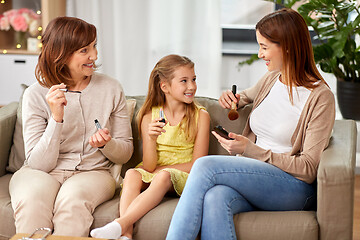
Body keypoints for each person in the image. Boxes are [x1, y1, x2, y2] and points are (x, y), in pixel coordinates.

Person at [166, 8, 335, 240]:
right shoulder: (272, 79)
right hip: (255, 178)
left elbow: (308, 168)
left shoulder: (320, 96)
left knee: (205, 167)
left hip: (293, 187)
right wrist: (235, 99)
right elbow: (246, 96)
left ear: (286, 46)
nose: (259, 54)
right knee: (216, 197)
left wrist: (249, 149)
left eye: (264, 47)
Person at [9, 16, 133, 237]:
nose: (94, 56)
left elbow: (124, 154)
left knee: (73, 203)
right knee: (31, 201)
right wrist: (56, 119)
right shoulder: (35, 94)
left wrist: (107, 144)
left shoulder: (111, 88)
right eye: (84, 50)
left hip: (93, 172)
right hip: (40, 172)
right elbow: (38, 163)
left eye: (94, 47)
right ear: (61, 53)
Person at [90, 54, 210, 240]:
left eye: (193, 79)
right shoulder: (148, 116)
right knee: (131, 174)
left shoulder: (200, 116)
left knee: (163, 177)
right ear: (165, 87)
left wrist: (162, 171)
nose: (192, 86)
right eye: (184, 81)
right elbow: (149, 167)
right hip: (156, 172)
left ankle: (120, 224)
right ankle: (126, 235)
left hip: (185, 176)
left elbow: (198, 164)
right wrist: (151, 139)